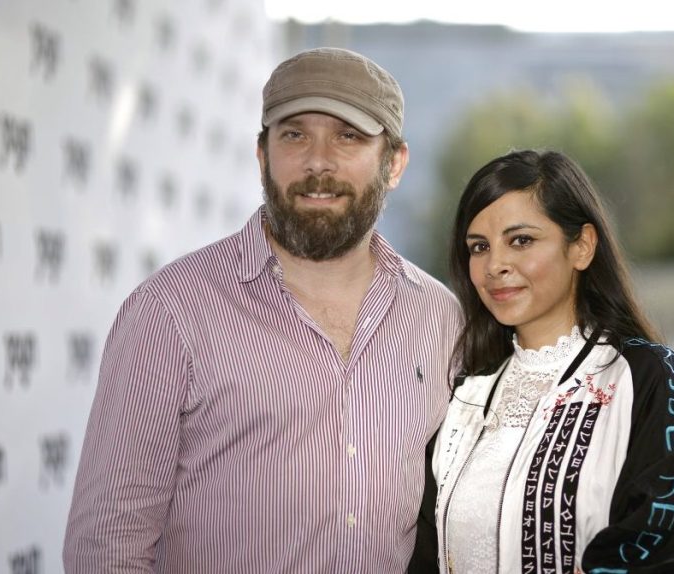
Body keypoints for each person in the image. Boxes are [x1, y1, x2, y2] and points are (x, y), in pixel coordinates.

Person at [63, 47, 461, 573]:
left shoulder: (438, 316)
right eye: (294, 135)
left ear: (395, 164)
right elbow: (107, 547)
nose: (318, 161)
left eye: (348, 136)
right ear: (262, 156)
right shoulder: (169, 312)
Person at [426, 149, 674, 573]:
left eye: (521, 240)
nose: (495, 265)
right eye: (479, 247)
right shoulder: (464, 398)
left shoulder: (648, 378)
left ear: (582, 246)